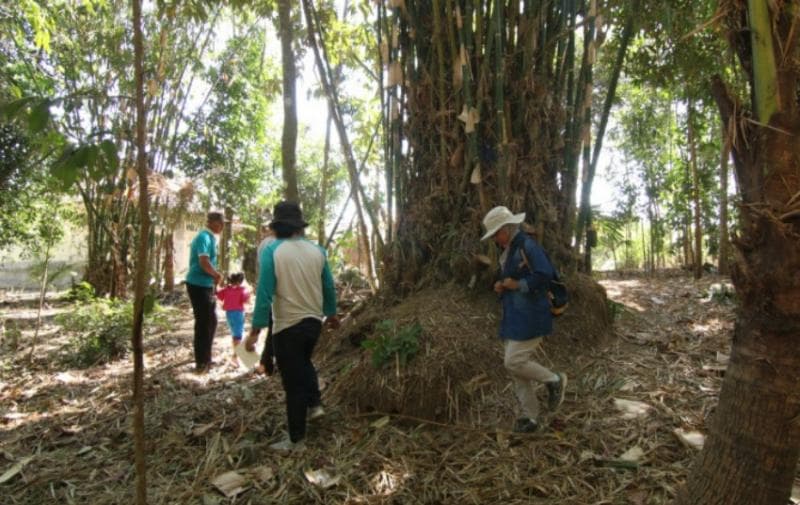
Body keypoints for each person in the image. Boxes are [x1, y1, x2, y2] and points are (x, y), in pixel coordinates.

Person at [245, 201, 339, 452]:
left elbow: (264, 293)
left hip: (287, 326)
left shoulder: (272, 251)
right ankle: (315, 405)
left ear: (277, 227)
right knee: (304, 363)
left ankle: (296, 440)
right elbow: (328, 286)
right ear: (299, 226)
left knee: (292, 382)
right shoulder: (317, 251)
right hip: (312, 324)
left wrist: (255, 331)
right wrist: (331, 314)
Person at [481, 205, 567, 433]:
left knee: (513, 361)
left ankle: (554, 380)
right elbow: (514, 278)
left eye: (496, 234)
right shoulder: (509, 250)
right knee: (515, 370)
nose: (495, 240)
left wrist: (517, 285)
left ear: (507, 229)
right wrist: (502, 285)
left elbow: (544, 274)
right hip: (515, 315)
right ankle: (531, 417)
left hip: (532, 315)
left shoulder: (527, 245)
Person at [185, 211, 224, 373]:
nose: (222, 227)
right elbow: (203, 261)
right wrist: (216, 275)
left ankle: (207, 358)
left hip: (206, 285)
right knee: (203, 323)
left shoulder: (210, 238)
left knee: (212, 321)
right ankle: (201, 362)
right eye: (221, 223)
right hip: (198, 284)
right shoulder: (203, 237)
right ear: (213, 222)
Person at [216, 272, 250, 366]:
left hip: (229, 314)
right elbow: (246, 300)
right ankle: (235, 357)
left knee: (235, 335)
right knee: (238, 336)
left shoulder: (226, 289)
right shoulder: (242, 290)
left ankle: (235, 356)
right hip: (238, 314)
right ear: (240, 281)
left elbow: (218, 295)